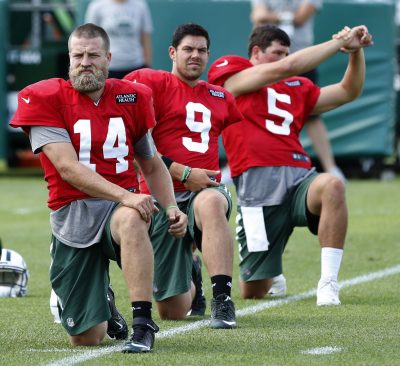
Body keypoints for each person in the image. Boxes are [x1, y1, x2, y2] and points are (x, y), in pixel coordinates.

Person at [10, 23, 187, 353]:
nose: (85, 62)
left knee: (133, 217)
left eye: (93, 55)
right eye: (78, 55)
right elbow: (68, 168)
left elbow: (150, 162)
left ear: (108, 57)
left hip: (118, 211)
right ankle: (105, 305)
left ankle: (142, 322)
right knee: (85, 338)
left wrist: (172, 205)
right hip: (73, 214)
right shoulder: (45, 97)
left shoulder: (130, 96)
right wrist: (126, 194)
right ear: (69, 58)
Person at [208, 24, 372, 305]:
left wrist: (354, 53)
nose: (283, 58)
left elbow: (348, 91)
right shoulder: (233, 77)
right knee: (254, 290)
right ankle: (271, 272)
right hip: (257, 186)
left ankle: (328, 282)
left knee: (332, 184)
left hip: (299, 177)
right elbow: (287, 68)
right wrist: (339, 40)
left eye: (286, 53)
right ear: (256, 53)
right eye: (277, 53)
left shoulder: (296, 87)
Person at [124, 23, 244, 328]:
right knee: (172, 310)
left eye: (202, 50)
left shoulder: (220, 96)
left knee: (211, 204)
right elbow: (133, 144)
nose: (196, 56)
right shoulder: (151, 83)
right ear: (172, 52)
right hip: (161, 197)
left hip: (206, 189)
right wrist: (182, 171)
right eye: (188, 49)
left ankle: (223, 299)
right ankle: (193, 275)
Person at [250, 0, 346, 182]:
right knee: (252, 112)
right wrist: (287, 17)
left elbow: (302, 17)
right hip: (267, 62)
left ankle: (331, 167)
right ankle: (236, 165)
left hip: (303, 59)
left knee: (313, 116)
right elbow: (258, 16)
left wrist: (273, 17)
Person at [85, 0, 153, 78]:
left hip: (136, 66)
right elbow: (90, 39)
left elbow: (146, 38)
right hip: (109, 68)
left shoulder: (140, 5)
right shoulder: (97, 6)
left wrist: (147, 67)